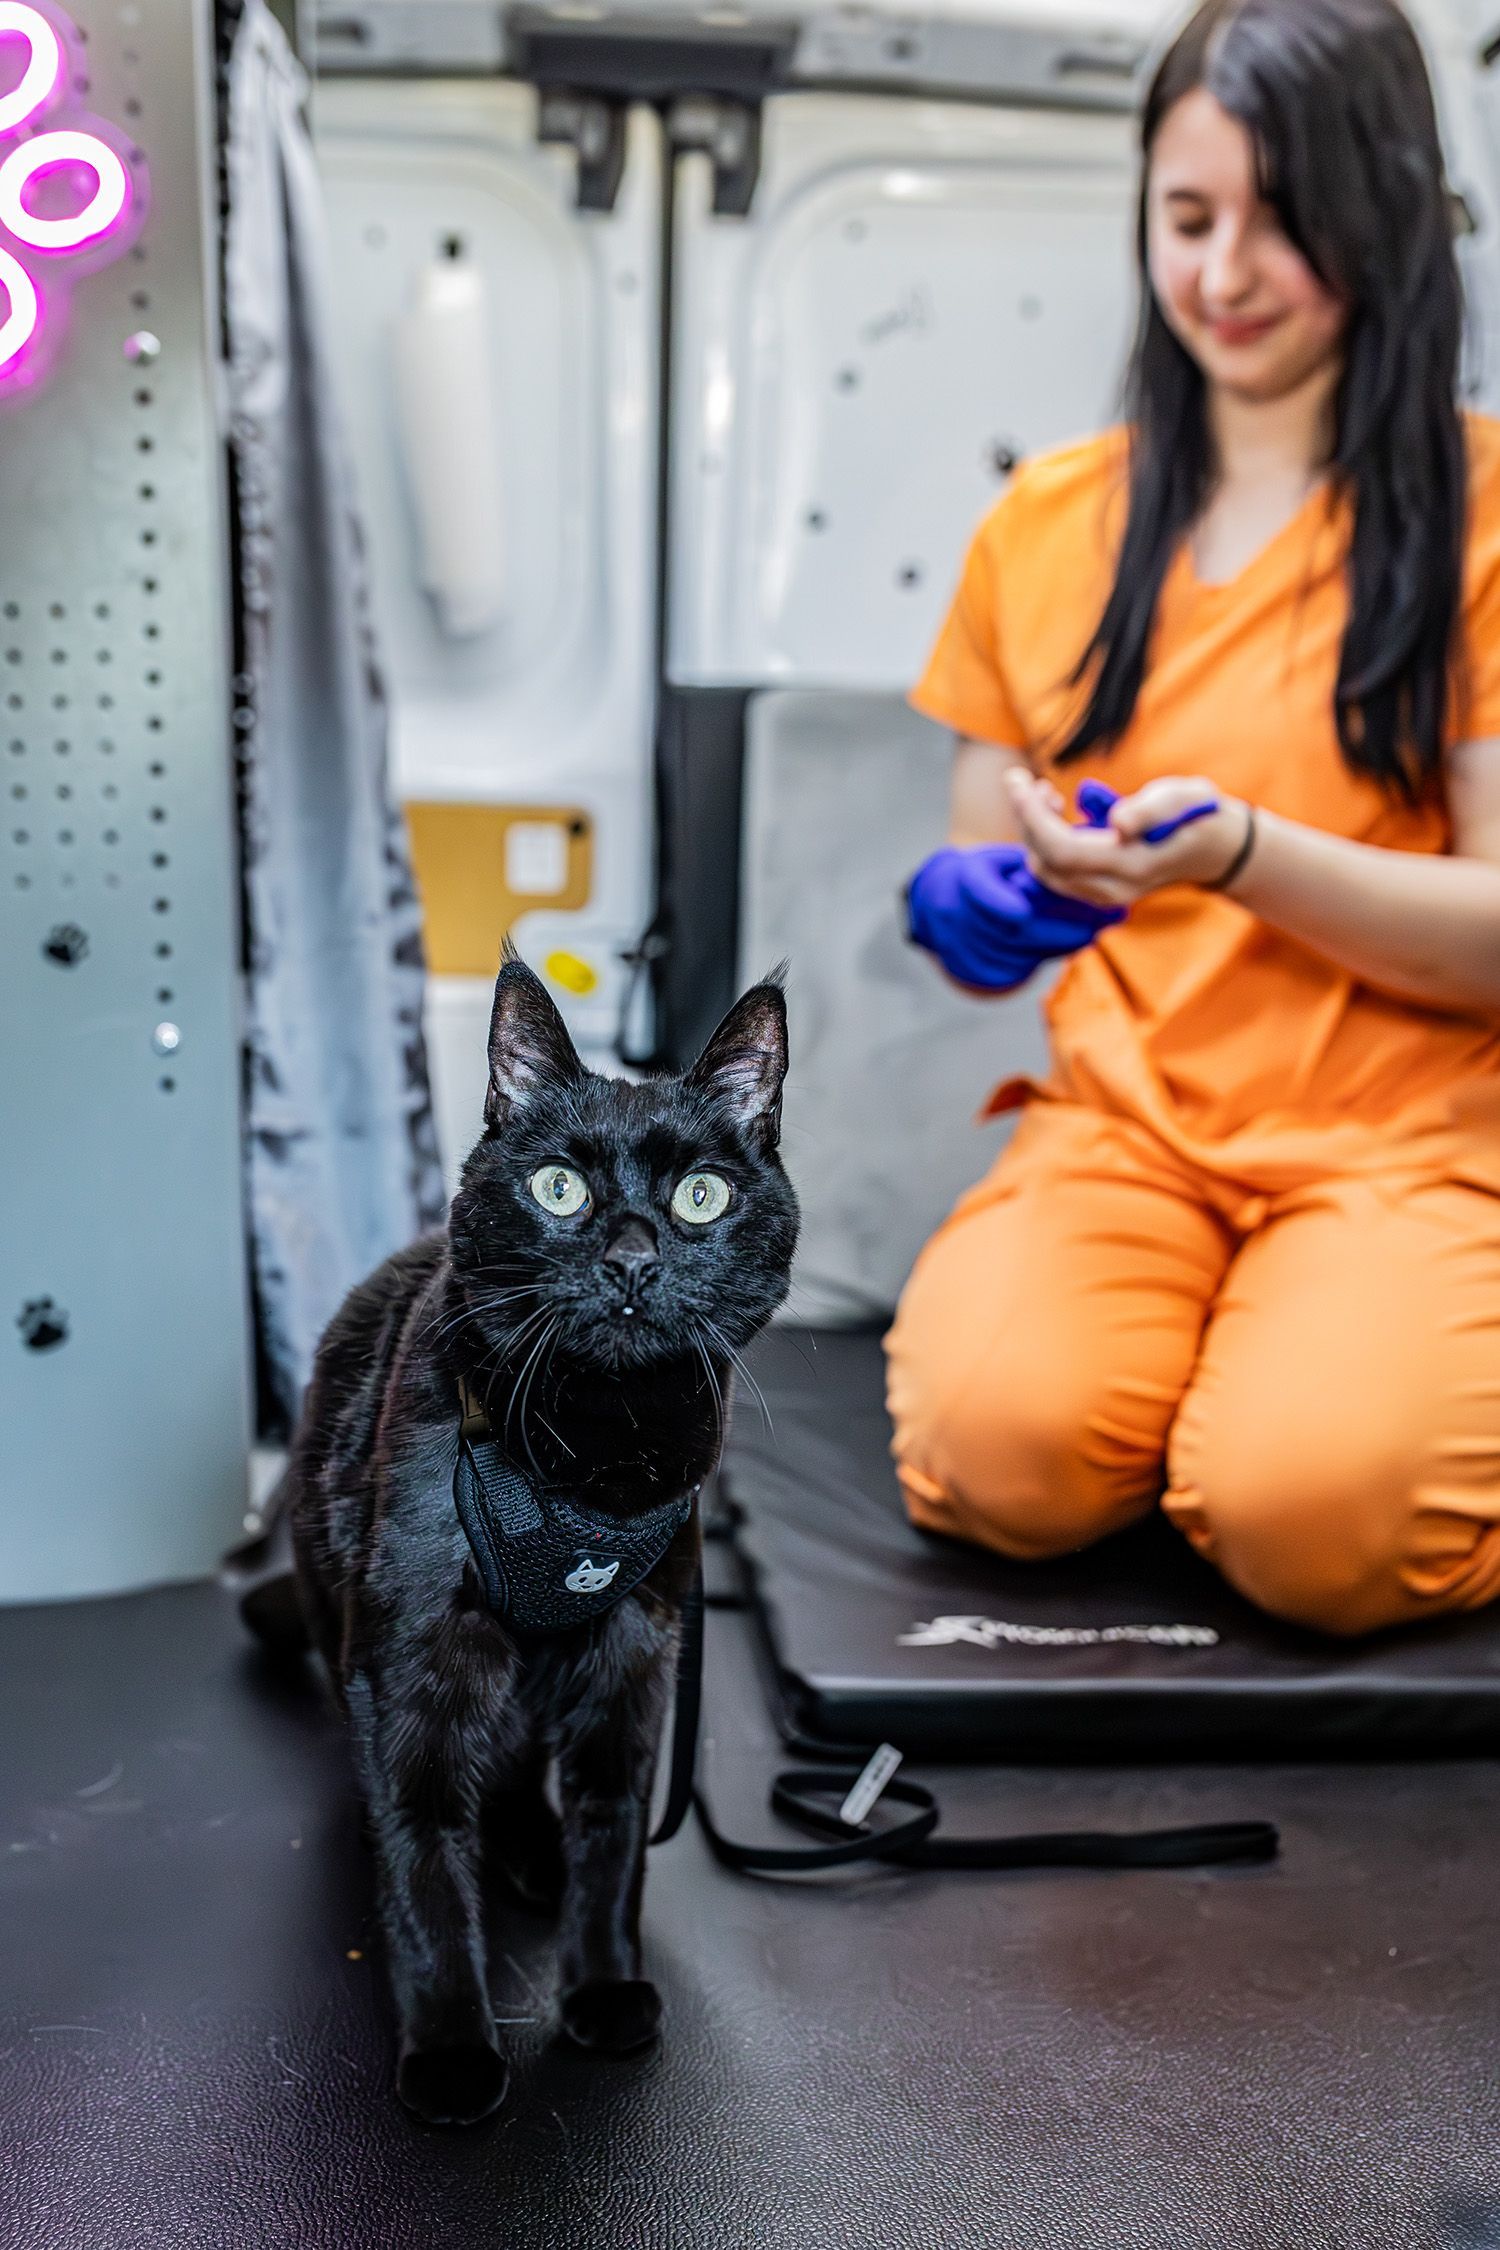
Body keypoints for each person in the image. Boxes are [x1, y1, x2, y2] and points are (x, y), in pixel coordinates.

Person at [884, 0, 1500, 1638]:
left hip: (1409, 1149)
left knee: (1320, 1524)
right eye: (1187, 216)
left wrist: (1237, 851)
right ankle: (1254, 1364)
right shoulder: (1049, 522)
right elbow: (970, 864)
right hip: (1130, 1131)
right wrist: (980, 898)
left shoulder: (1484, 514)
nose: (1225, 272)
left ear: (1383, 211)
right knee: (987, 1458)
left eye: (1284, 220)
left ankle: (1323, 1378)